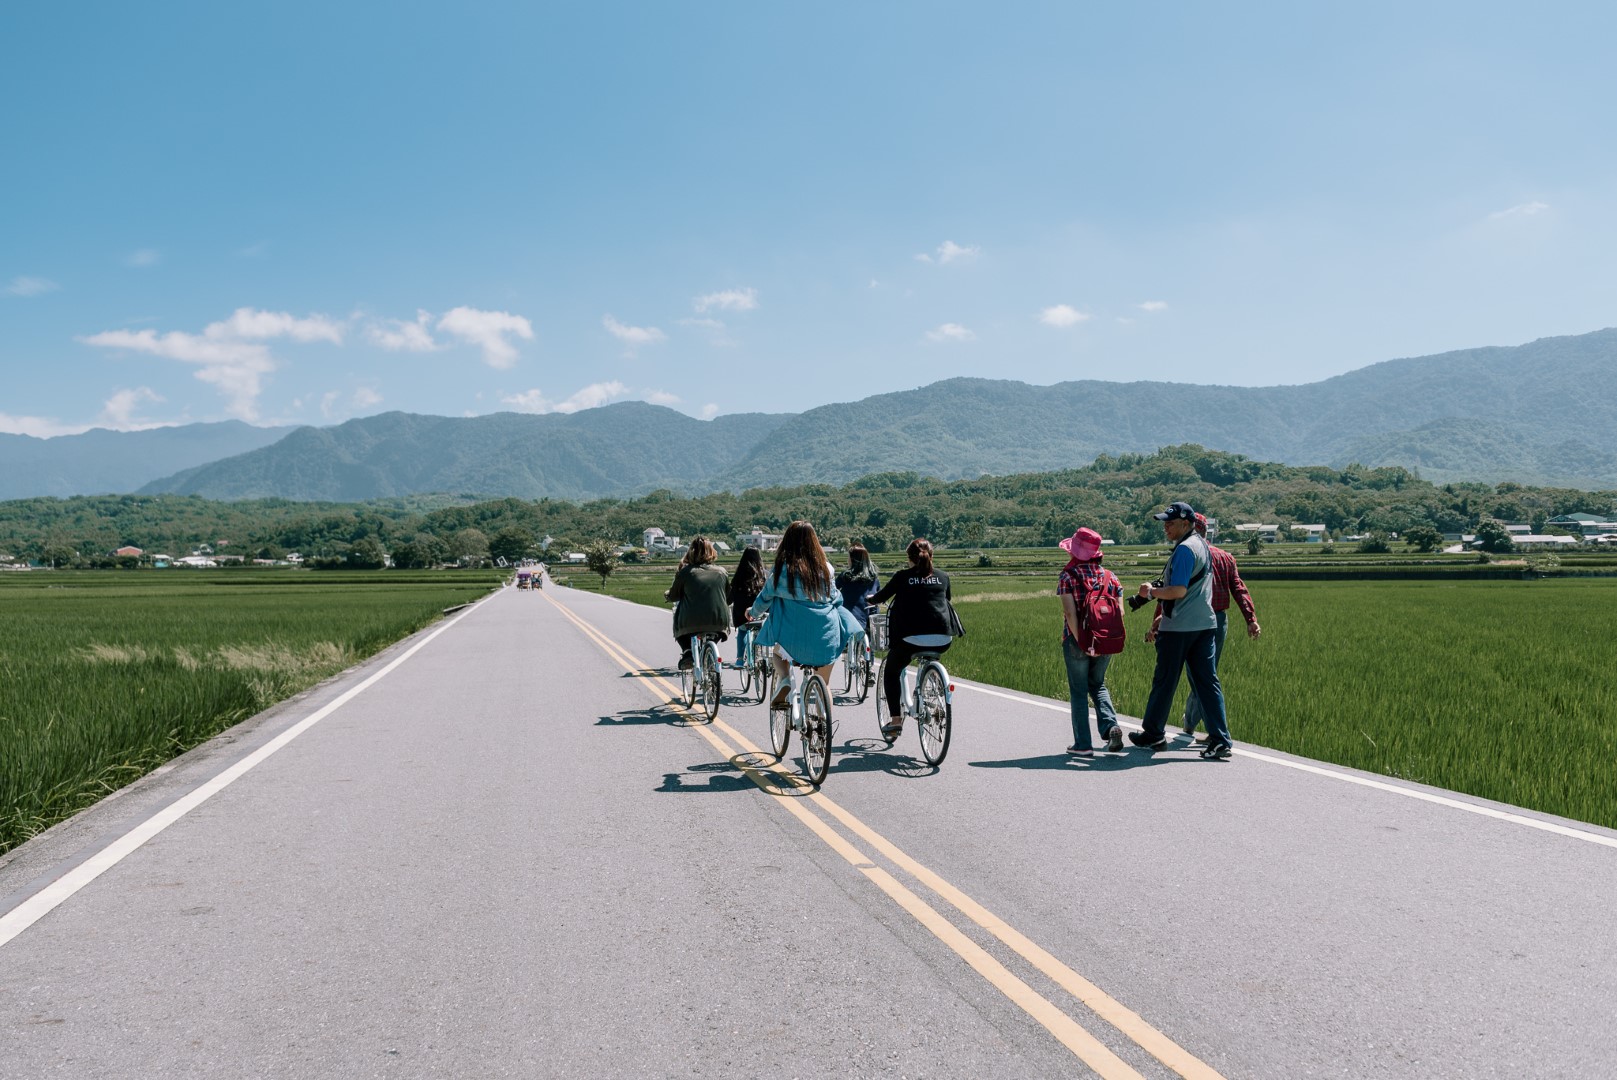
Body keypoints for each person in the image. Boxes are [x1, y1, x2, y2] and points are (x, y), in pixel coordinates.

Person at [1129, 502, 1234, 760]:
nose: (1165, 526)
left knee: (1165, 680)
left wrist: (1150, 592)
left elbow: (1178, 590)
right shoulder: (1201, 546)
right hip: (1205, 625)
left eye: (1171, 523)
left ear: (1186, 524)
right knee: (1207, 683)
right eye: (1165, 522)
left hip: (1180, 628)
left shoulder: (1186, 550)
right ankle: (1221, 740)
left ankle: (1153, 733)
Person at [1168, 513, 1260, 742]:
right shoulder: (1225, 557)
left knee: (1200, 676)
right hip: (1218, 621)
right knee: (1205, 675)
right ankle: (1194, 724)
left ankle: (1204, 728)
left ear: (1188, 528)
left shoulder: (1188, 553)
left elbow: (1171, 591)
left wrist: (1158, 619)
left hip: (1191, 619)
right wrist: (1250, 618)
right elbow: (1239, 589)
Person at [748, 521, 851, 708]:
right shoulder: (826, 569)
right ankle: (823, 725)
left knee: (777, 653)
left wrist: (752, 613)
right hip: (826, 636)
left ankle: (785, 679)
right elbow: (836, 598)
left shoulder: (782, 570)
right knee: (824, 683)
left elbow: (765, 598)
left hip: (792, 639)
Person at [868, 538, 954, 741]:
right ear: (931, 555)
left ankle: (896, 720)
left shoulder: (902, 577)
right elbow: (946, 599)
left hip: (910, 640)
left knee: (891, 670)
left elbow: (881, 597)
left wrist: (869, 599)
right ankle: (932, 687)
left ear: (909, 558)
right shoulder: (943, 576)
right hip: (943, 639)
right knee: (927, 655)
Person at [1056, 527, 1124, 757]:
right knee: (1098, 685)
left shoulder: (1068, 576)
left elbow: (1069, 613)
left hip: (1078, 641)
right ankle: (1111, 727)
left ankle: (1083, 744)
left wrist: (1084, 643)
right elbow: (1120, 613)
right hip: (1106, 640)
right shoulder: (1110, 576)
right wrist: (1100, 643)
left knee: (1078, 690)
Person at [664, 537, 730, 670]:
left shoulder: (686, 573)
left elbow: (674, 595)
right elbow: (728, 595)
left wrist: (667, 594)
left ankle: (687, 652)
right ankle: (710, 652)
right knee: (713, 638)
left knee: (679, 624)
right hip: (719, 622)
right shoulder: (722, 572)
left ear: (690, 552)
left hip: (690, 622)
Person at [835, 544, 881, 684]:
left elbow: (833, 590)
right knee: (870, 640)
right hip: (868, 615)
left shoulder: (845, 576)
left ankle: (848, 648)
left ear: (852, 559)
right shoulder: (873, 578)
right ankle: (870, 668)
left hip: (849, 617)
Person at [727, 546, 767, 668]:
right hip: (760, 612)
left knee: (742, 631)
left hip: (741, 615)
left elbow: (731, 596)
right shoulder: (764, 575)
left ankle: (740, 659)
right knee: (762, 628)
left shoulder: (739, 576)